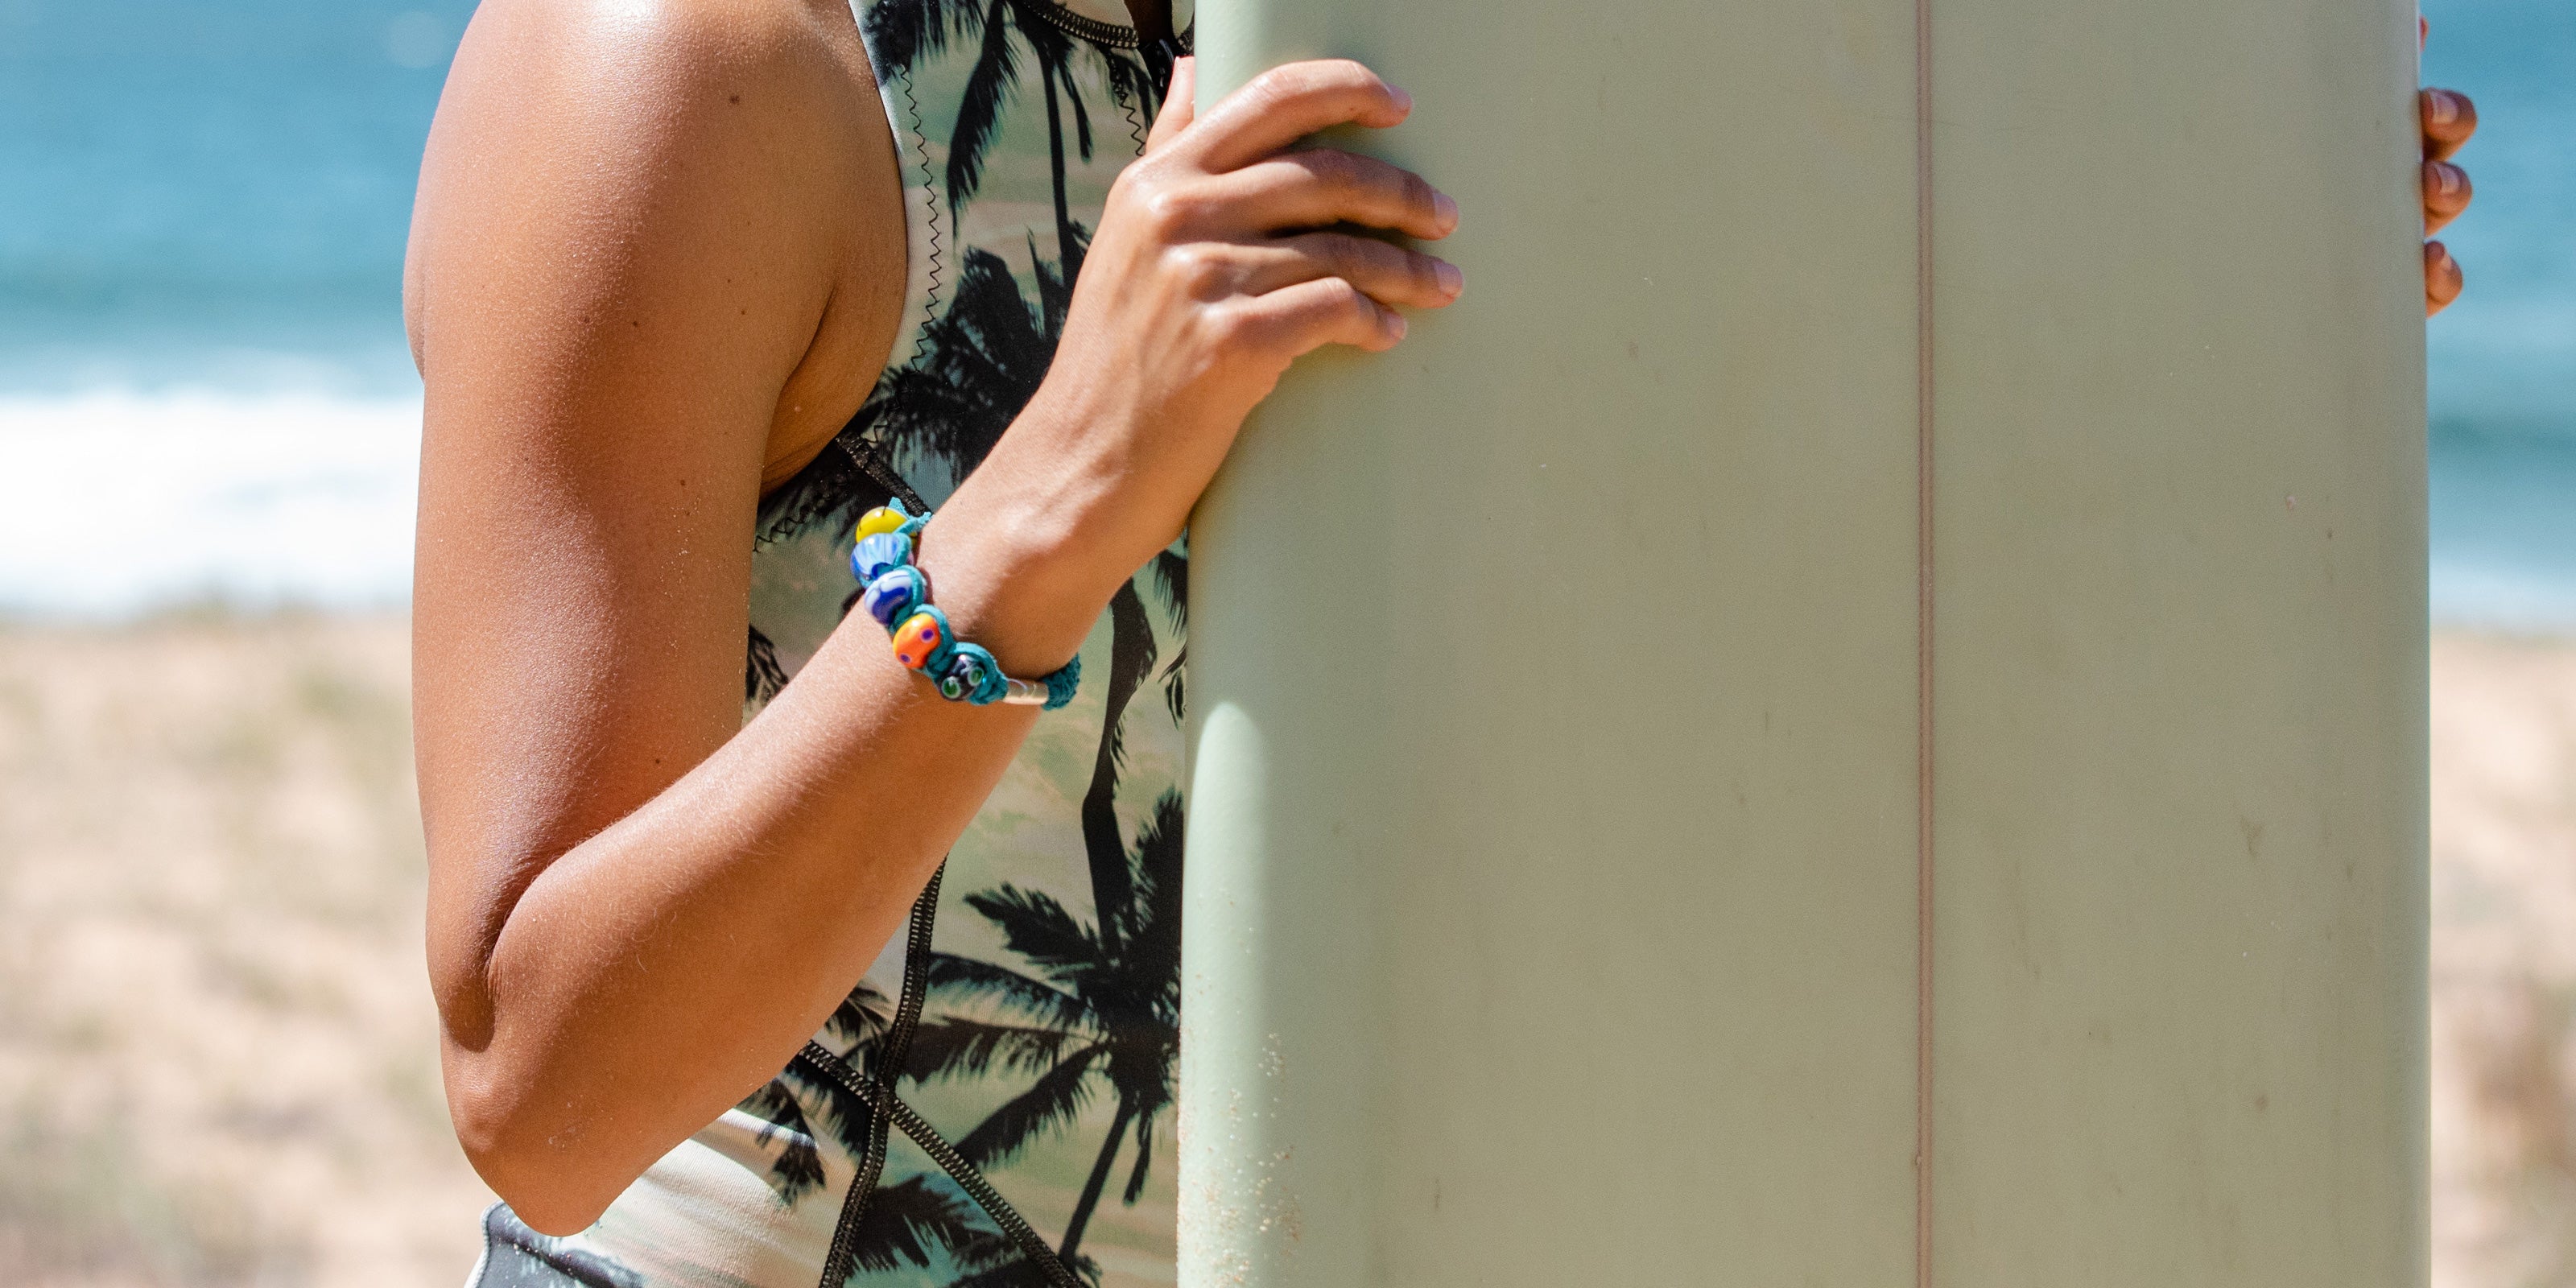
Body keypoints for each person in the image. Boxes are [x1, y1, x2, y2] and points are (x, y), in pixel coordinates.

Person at [402, 1, 2476, 1283]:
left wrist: (2189, 253)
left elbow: (1755, 648)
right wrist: (1045, 506)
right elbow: (549, 1093)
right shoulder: (697, 68)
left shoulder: (1479, 74)